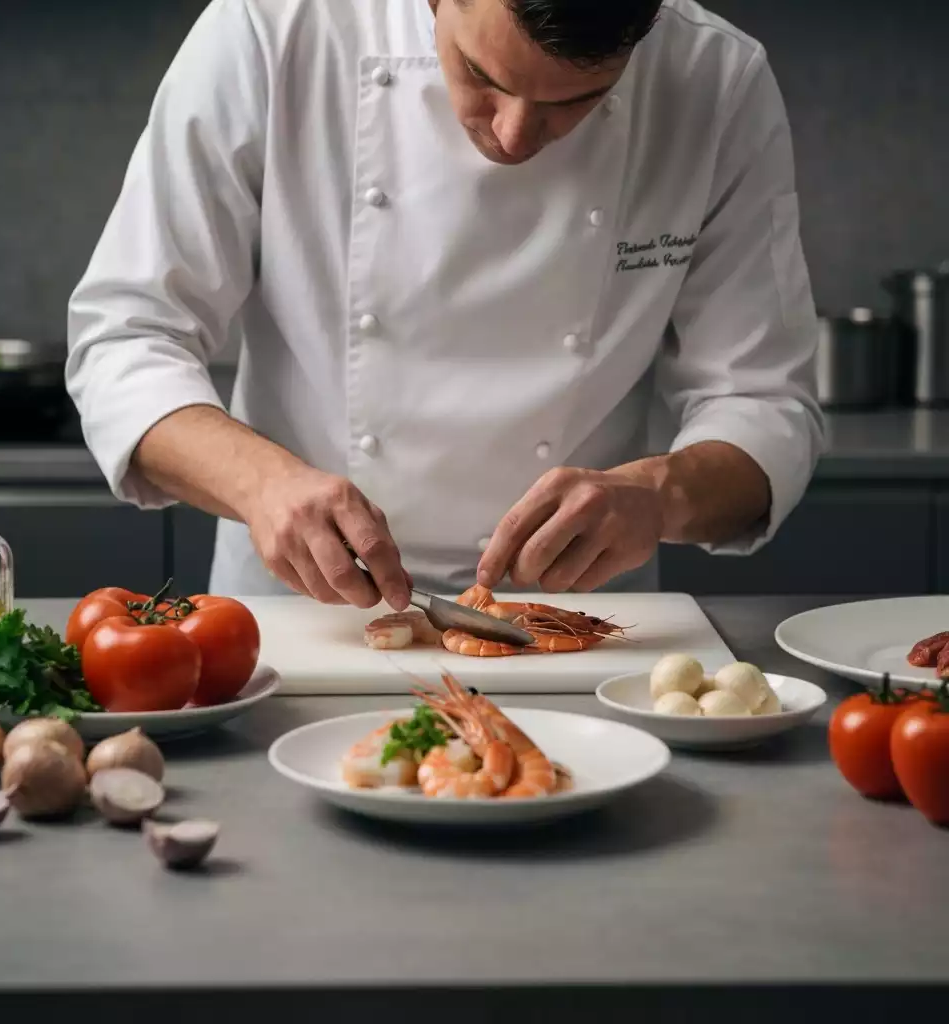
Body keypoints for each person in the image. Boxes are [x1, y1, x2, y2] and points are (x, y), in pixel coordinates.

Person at [66, 0, 824, 613]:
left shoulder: (715, 79)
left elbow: (763, 402)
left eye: (578, 102)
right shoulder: (273, 29)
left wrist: (658, 498)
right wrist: (262, 485)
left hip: (581, 630)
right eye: (481, 75)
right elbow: (124, 340)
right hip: (303, 617)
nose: (515, 134)